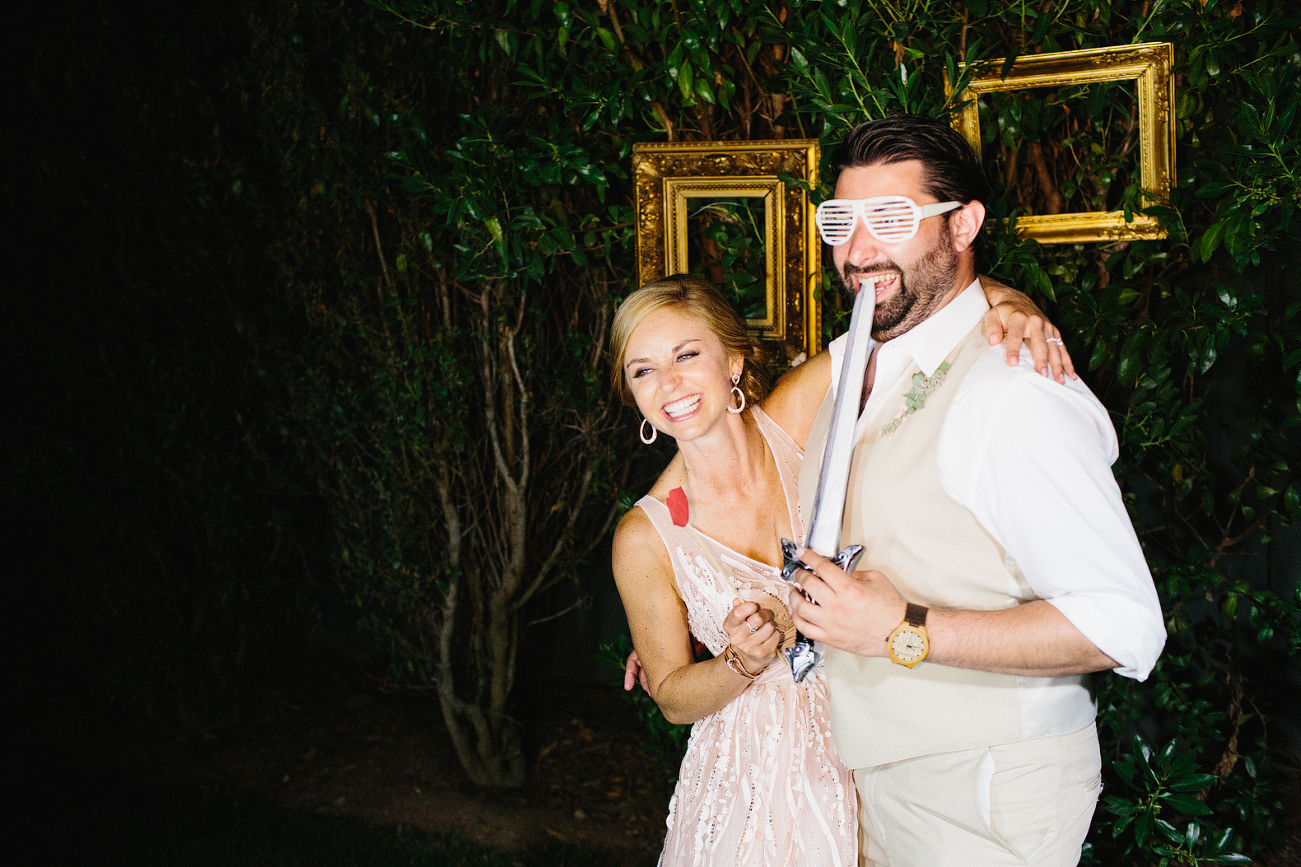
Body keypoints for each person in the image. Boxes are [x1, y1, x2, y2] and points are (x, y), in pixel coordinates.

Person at [777, 115, 1166, 867]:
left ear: (964, 225)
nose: (856, 252)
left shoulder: (1013, 392)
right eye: (839, 221)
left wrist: (901, 628)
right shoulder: (854, 364)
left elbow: (1123, 626)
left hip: (984, 788)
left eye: (890, 219)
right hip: (875, 780)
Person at [610, 272, 1073, 867]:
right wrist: (739, 661)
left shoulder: (799, 419)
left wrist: (1018, 304)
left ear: (733, 363)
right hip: (752, 789)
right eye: (642, 369)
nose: (668, 382)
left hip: (884, 732)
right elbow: (672, 696)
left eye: (687, 354)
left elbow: (917, 314)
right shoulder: (643, 539)